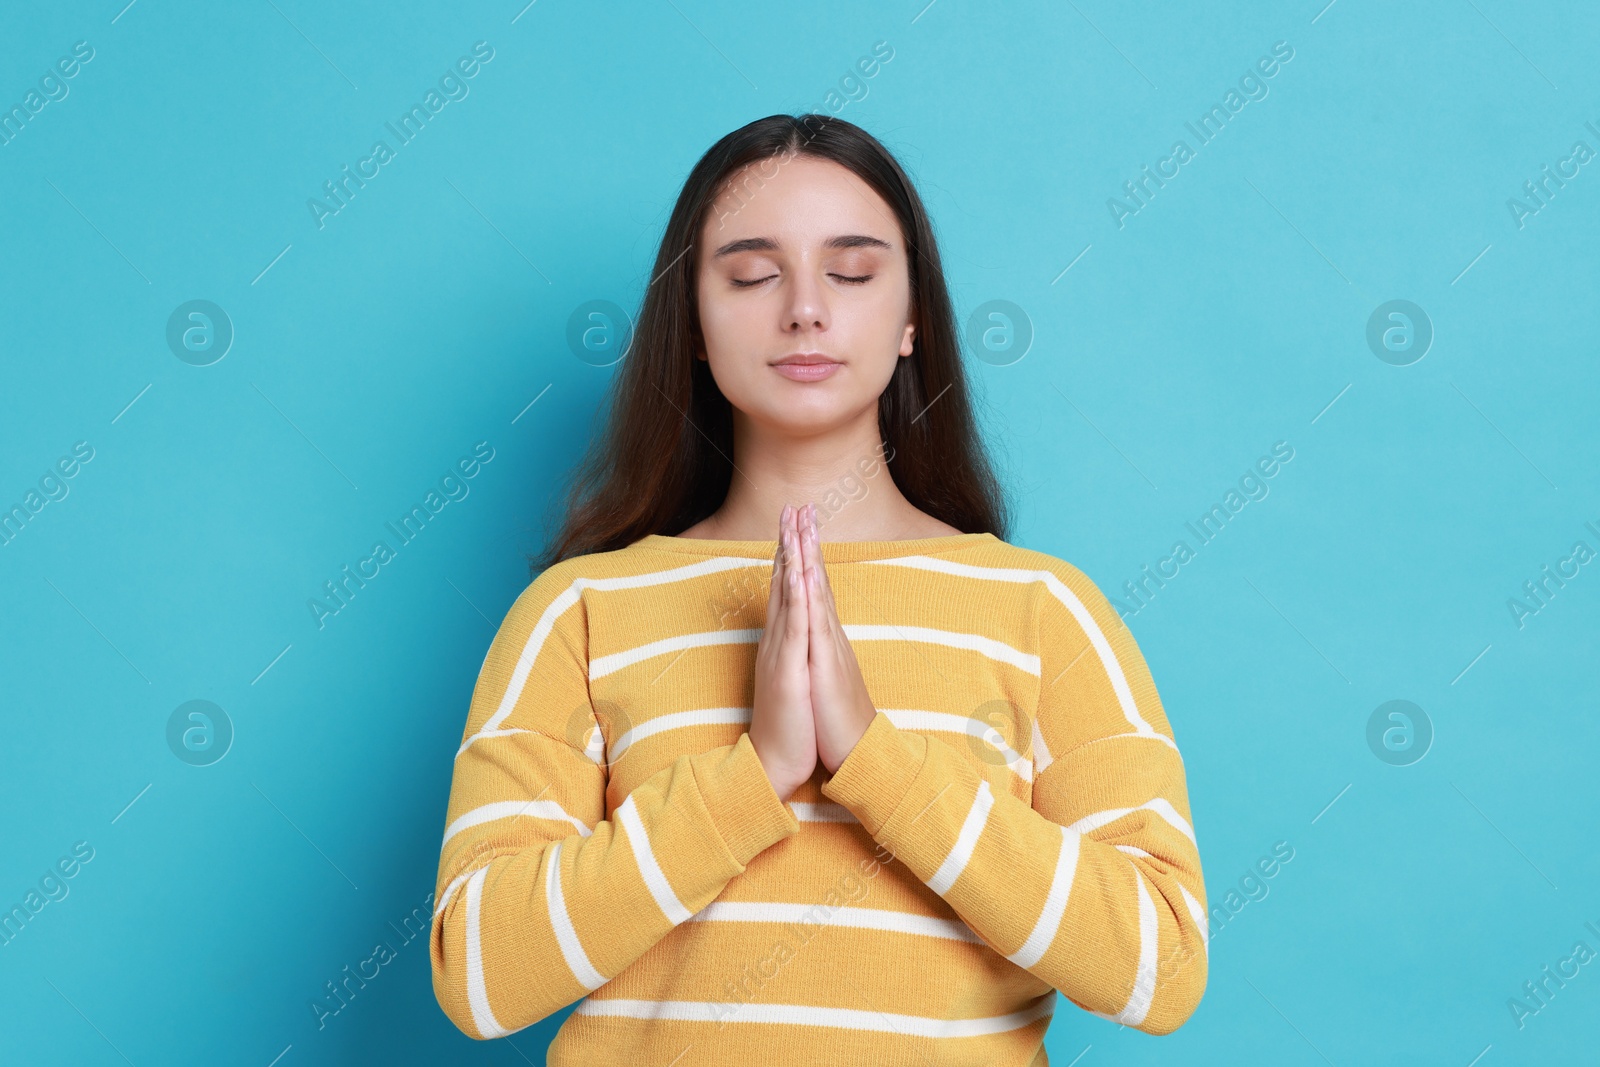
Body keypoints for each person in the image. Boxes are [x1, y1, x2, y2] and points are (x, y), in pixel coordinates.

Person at [430, 113, 1207, 1064]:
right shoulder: (578, 612)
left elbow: (1161, 967)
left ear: (913, 315)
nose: (804, 309)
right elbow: (477, 975)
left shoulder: (1045, 611)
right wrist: (750, 779)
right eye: (753, 273)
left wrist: (877, 760)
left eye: (852, 271)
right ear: (696, 327)